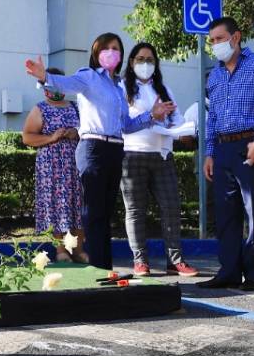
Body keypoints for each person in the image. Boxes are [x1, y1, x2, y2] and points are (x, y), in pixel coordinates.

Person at [24, 34, 175, 270]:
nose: (111, 52)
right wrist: (45, 77)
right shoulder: (89, 76)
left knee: (104, 215)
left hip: (115, 149)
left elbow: (126, 124)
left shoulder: (117, 88)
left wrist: (151, 115)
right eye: (106, 48)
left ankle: (105, 268)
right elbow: (66, 83)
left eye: (116, 48)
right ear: (96, 53)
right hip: (93, 148)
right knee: (93, 213)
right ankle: (96, 269)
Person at [201, 17, 254, 290]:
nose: (215, 45)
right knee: (226, 214)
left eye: (219, 39)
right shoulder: (214, 75)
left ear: (235, 38)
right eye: (212, 40)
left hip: (251, 145)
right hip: (223, 148)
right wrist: (210, 153)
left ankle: (253, 274)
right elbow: (211, 118)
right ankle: (228, 271)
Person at [120, 43, 198, 277]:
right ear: (132, 62)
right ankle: (140, 261)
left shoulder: (164, 89)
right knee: (135, 210)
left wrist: (182, 129)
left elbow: (176, 118)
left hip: (162, 154)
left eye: (150, 60)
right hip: (132, 154)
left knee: (171, 207)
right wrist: (151, 115)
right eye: (141, 59)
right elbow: (123, 123)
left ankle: (175, 260)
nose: (145, 64)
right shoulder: (122, 88)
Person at [21, 68, 86, 262]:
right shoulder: (40, 109)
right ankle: (61, 251)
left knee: (78, 206)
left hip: (75, 165)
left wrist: (77, 132)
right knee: (57, 207)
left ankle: (77, 249)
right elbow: (27, 137)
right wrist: (51, 137)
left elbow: (90, 128)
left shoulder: (77, 107)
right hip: (51, 169)